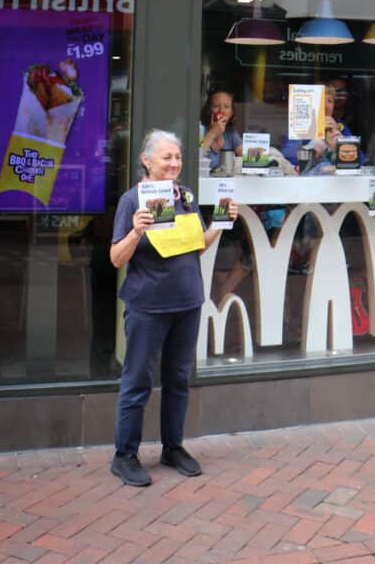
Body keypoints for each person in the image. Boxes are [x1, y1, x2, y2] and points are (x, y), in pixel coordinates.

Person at [110, 129, 237, 486]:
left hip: (187, 302)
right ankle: (124, 456)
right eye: (167, 157)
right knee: (137, 381)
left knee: (178, 379)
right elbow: (115, 257)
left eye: (177, 157)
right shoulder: (131, 200)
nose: (174, 163)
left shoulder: (186, 196)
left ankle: (172, 447)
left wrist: (221, 224)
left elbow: (196, 246)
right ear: (146, 161)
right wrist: (136, 231)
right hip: (148, 306)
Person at [200, 90, 242, 171]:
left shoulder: (231, 135)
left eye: (226, 107)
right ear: (209, 109)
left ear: (232, 112)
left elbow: (247, 158)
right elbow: (195, 159)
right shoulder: (200, 130)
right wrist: (212, 133)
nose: (221, 111)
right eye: (216, 106)